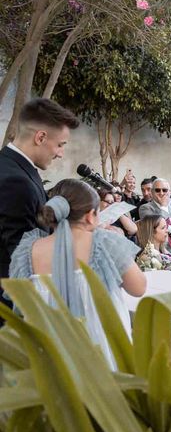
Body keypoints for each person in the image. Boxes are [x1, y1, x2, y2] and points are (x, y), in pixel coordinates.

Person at [9, 179, 146, 370]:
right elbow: (138, 288)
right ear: (91, 216)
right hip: (102, 354)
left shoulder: (27, 252)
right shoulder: (103, 243)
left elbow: (20, 305)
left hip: (49, 355)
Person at [0, 99, 79, 303]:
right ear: (40, 137)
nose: (61, 154)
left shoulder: (13, 166)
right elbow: (23, 256)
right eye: (60, 145)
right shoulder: (16, 181)